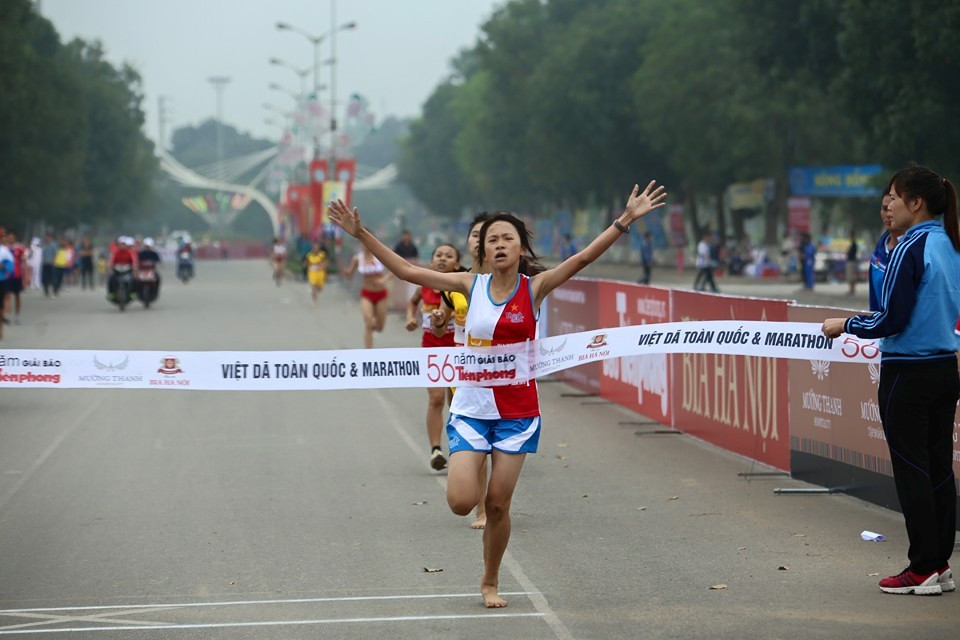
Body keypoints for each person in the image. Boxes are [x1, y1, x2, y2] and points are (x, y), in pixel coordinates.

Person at [329, 179, 666, 608]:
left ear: (520, 248)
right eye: (493, 240)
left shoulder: (535, 288)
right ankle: (472, 514)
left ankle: (490, 581)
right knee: (461, 501)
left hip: (518, 413)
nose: (501, 244)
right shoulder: (469, 286)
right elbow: (408, 272)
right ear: (483, 251)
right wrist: (361, 235)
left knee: (499, 506)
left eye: (508, 238)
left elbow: (583, 257)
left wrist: (624, 221)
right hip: (471, 407)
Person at [822, 166, 959, 596]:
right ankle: (940, 565)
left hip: (907, 373)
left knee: (913, 471)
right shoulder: (950, 243)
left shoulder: (909, 248)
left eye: (894, 198)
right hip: (944, 368)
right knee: (938, 468)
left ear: (915, 203)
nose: (889, 205)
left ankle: (921, 569)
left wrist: (843, 324)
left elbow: (891, 319)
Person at [405, 244, 461, 471]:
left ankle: (461, 450)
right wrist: (411, 318)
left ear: (457, 265)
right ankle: (436, 449)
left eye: (449, 256)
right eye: (438, 255)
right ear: (431, 262)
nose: (442, 259)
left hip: (459, 349)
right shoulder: (425, 285)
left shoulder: (463, 286)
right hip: (432, 348)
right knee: (436, 398)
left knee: (456, 402)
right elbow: (412, 302)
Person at [342, 246, 391, 349]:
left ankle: (375, 325)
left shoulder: (380, 256)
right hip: (367, 294)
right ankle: (368, 354)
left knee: (379, 327)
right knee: (368, 323)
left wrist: (384, 279)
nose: (364, 246)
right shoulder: (357, 259)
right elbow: (350, 274)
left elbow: (394, 269)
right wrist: (346, 273)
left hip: (381, 294)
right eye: (362, 243)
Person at [868, 182, 907, 311]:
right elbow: (874, 305)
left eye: (892, 209)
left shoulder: (915, 251)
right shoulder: (877, 255)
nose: (888, 214)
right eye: (885, 209)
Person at [4, 231, 26, 325]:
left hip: (17, 275)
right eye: (9, 237)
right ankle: (5, 315)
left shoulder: (19, 248)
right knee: (6, 295)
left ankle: (17, 316)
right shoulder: (4, 248)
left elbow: (23, 260)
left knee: (17, 296)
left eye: (12, 237)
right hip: (7, 275)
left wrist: (25, 275)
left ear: (15, 238)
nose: (10, 239)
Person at [846, 229, 860, 296]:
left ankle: (852, 289)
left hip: (851, 261)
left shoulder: (853, 244)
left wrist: (848, 251)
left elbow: (850, 252)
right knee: (851, 276)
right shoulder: (853, 244)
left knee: (852, 276)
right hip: (852, 261)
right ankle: (852, 289)